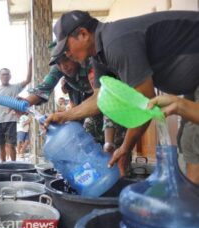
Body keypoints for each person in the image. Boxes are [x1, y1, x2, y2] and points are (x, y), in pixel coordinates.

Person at [44, 10, 199, 183]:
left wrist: (125, 147)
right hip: (192, 86)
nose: (67, 54)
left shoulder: (116, 42)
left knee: (194, 141)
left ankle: (191, 204)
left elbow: (145, 104)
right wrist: (64, 116)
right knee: (188, 144)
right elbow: (98, 99)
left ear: (83, 34)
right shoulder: (99, 56)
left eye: (66, 48)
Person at [0, 59, 32, 162]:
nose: (5, 76)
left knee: (11, 145)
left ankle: (13, 165)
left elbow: (28, 80)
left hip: (10, 120)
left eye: (7, 74)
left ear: (10, 76)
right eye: (3, 74)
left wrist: (30, 65)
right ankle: (3, 166)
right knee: (1, 146)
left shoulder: (15, 87)